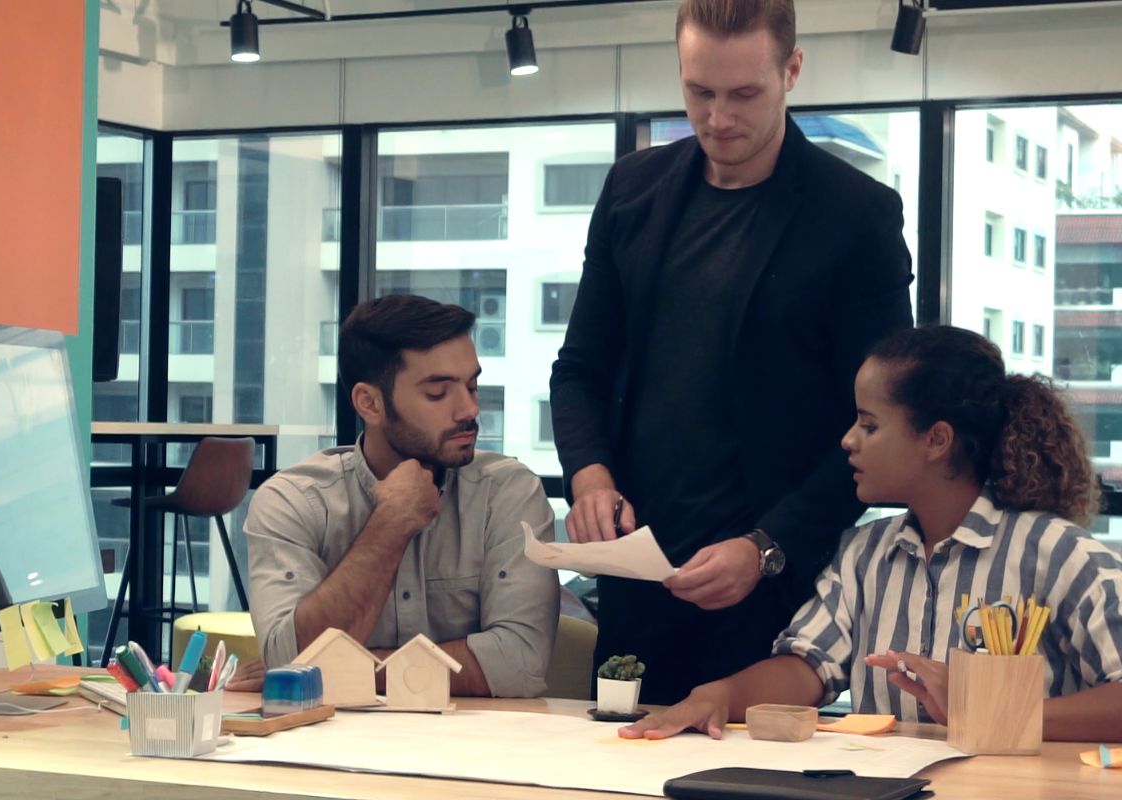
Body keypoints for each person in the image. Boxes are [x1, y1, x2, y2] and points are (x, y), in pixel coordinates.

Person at [548, 0, 913, 703]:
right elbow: (581, 368)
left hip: (774, 597)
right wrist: (589, 474)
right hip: (638, 583)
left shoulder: (856, 216)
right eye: (699, 93)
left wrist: (767, 547)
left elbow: (878, 426)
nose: (718, 118)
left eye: (744, 94)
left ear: (792, 70)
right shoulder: (632, 190)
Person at [620, 325, 1122, 742]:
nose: (847, 440)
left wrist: (989, 714)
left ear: (936, 440)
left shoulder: (1060, 555)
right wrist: (719, 695)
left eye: (869, 424)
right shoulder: (864, 552)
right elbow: (807, 667)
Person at [245, 294, 559, 698]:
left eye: (472, 385)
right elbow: (293, 661)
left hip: (475, 746)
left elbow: (519, 665)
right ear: (369, 403)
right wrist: (389, 524)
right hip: (328, 745)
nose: (469, 409)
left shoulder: (508, 492)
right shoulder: (294, 501)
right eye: (437, 393)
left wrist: (349, 669)